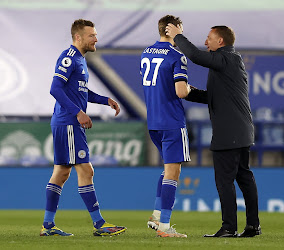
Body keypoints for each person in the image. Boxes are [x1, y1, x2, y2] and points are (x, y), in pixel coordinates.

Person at [166, 24, 261, 238]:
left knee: (225, 181)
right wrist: (190, 92)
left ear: (221, 42)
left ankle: (229, 228)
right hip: (240, 131)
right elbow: (215, 97)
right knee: (244, 178)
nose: (206, 42)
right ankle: (253, 226)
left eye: (209, 38)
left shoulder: (227, 58)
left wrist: (177, 36)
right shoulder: (229, 63)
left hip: (230, 134)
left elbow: (195, 56)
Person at [40, 19, 126, 237]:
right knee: (85, 170)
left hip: (65, 121)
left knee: (61, 173)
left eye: (96, 35)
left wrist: (105, 100)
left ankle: (48, 226)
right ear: (78, 37)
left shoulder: (80, 60)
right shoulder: (69, 58)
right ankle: (99, 224)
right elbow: (55, 88)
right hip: (69, 122)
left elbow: (80, 92)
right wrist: (78, 112)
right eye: (92, 35)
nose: (96, 38)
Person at [141, 15, 191, 238]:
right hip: (172, 121)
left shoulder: (146, 53)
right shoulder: (177, 56)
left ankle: (156, 215)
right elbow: (181, 91)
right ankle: (165, 226)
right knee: (173, 171)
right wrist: (191, 89)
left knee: (166, 169)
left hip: (154, 121)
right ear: (174, 30)